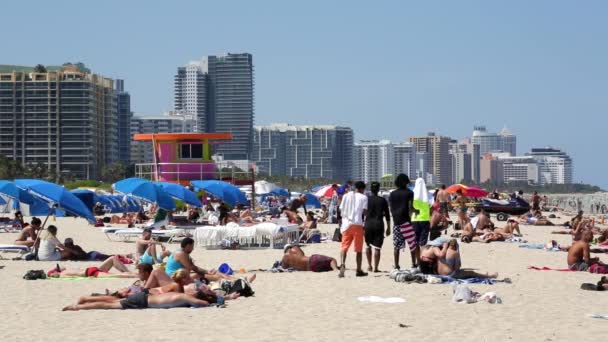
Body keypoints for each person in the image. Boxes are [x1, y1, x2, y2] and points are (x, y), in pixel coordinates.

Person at [62, 290, 212, 311]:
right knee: (110, 306)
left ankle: (85, 300)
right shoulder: (186, 298)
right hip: (143, 302)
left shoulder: (183, 294)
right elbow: (201, 303)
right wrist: (215, 301)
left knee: (113, 301)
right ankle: (78, 307)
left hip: (144, 297)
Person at [388, 173, 419, 270]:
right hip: (406, 222)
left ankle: (396, 265)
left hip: (396, 222)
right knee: (412, 244)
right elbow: (411, 207)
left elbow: (391, 207)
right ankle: (413, 263)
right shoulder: (410, 193)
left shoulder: (392, 194)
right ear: (406, 182)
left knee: (396, 246)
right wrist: (416, 211)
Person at [338, 181, 368, 277]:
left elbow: (341, 209)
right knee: (358, 249)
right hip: (357, 224)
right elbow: (365, 212)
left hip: (347, 224)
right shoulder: (364, 197)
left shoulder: (346, 196)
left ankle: (342, 264)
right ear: (362, 189)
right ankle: (358, 270)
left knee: (344, 247)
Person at [364, 181, 390, 273]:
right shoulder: (383, 200)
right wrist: (389, 228)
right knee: (377, 247)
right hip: (379, 224)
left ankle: (369, 266)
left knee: (367, 246)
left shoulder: (367, 199)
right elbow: (387, 215)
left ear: (371, 189)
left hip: (368, 224)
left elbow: (363, 213)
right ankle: (375, 268)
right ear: (378, 189)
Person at [47, 255, 138, 278]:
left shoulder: (64, 271)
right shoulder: (63, 274)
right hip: (92, 272)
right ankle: (133, 275)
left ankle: (129, 273)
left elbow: (62, 267)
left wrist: (56, 270)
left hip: (92, 271)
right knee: (115, 275)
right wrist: (54, 273)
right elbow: (53, 274)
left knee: (113, 258)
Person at [412, 178, 432, 249]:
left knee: (416, 241)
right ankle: (422, 257)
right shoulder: (428, 194)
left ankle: (417, 258)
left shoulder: (412, 194)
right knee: (423, 242)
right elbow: (431, 207)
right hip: (425, 219)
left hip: (414, 220)